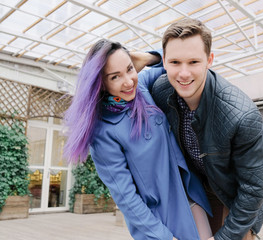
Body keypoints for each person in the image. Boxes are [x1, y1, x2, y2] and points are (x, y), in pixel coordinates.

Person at [63, 39, 213, 240]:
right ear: (101, 83)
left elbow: (177, 60)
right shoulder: (102, 133)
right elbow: (127, 198)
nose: (128, 81)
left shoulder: (141, 87)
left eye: (129, 69)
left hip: (189, 194)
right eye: (115, 76)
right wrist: (164, 237)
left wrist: (148, 57)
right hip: (160, 219)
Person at [151, 18, 263, 240]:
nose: (183, 74)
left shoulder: (243, 115)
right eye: (175, 62)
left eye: (194, 62)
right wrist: (148, 57)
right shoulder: (160, 91)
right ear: (164, 62)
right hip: (196, 187)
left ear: (210, 60)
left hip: (235, 193)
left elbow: (254, 188)